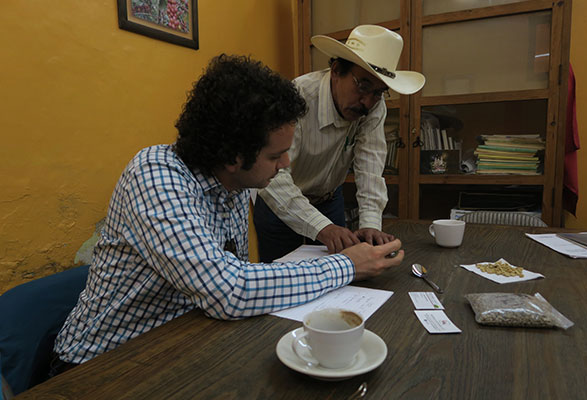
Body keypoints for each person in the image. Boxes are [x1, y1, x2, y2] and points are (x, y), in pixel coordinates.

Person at [52, 54, 404, 369]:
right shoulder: (155, 176)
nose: (286, 164)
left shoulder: (233, 183)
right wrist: (347, 265)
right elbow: (229, 291)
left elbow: (231, 276)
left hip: (178, 343)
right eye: (274, 156)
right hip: (98, 365)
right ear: (234, 155)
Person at [254, 25, 425, 262]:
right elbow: (274, 177)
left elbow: (370, 169)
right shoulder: (298, 96)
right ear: (336, 70)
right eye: (362, 85)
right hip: (279, 201)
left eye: (379, 92)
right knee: (280, 281)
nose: (367, 102)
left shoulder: (373, 107)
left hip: (329, 199)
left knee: (339, 276)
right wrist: (322, 227)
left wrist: (370, 225)